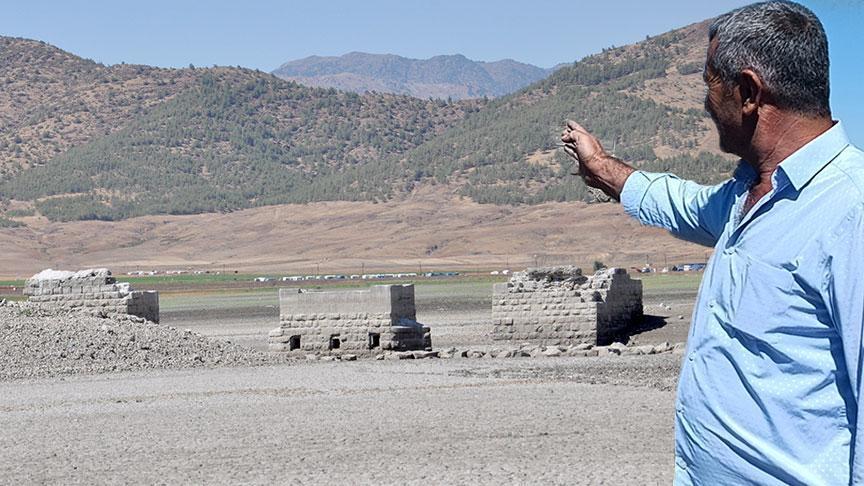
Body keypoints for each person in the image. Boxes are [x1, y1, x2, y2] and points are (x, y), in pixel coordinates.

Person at [561, 1, 864, 484]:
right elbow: (681, 202)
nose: (705, 104)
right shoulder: (748, 195)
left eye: (710, 85)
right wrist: (603, 170)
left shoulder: (851, 212)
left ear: (747, 92)